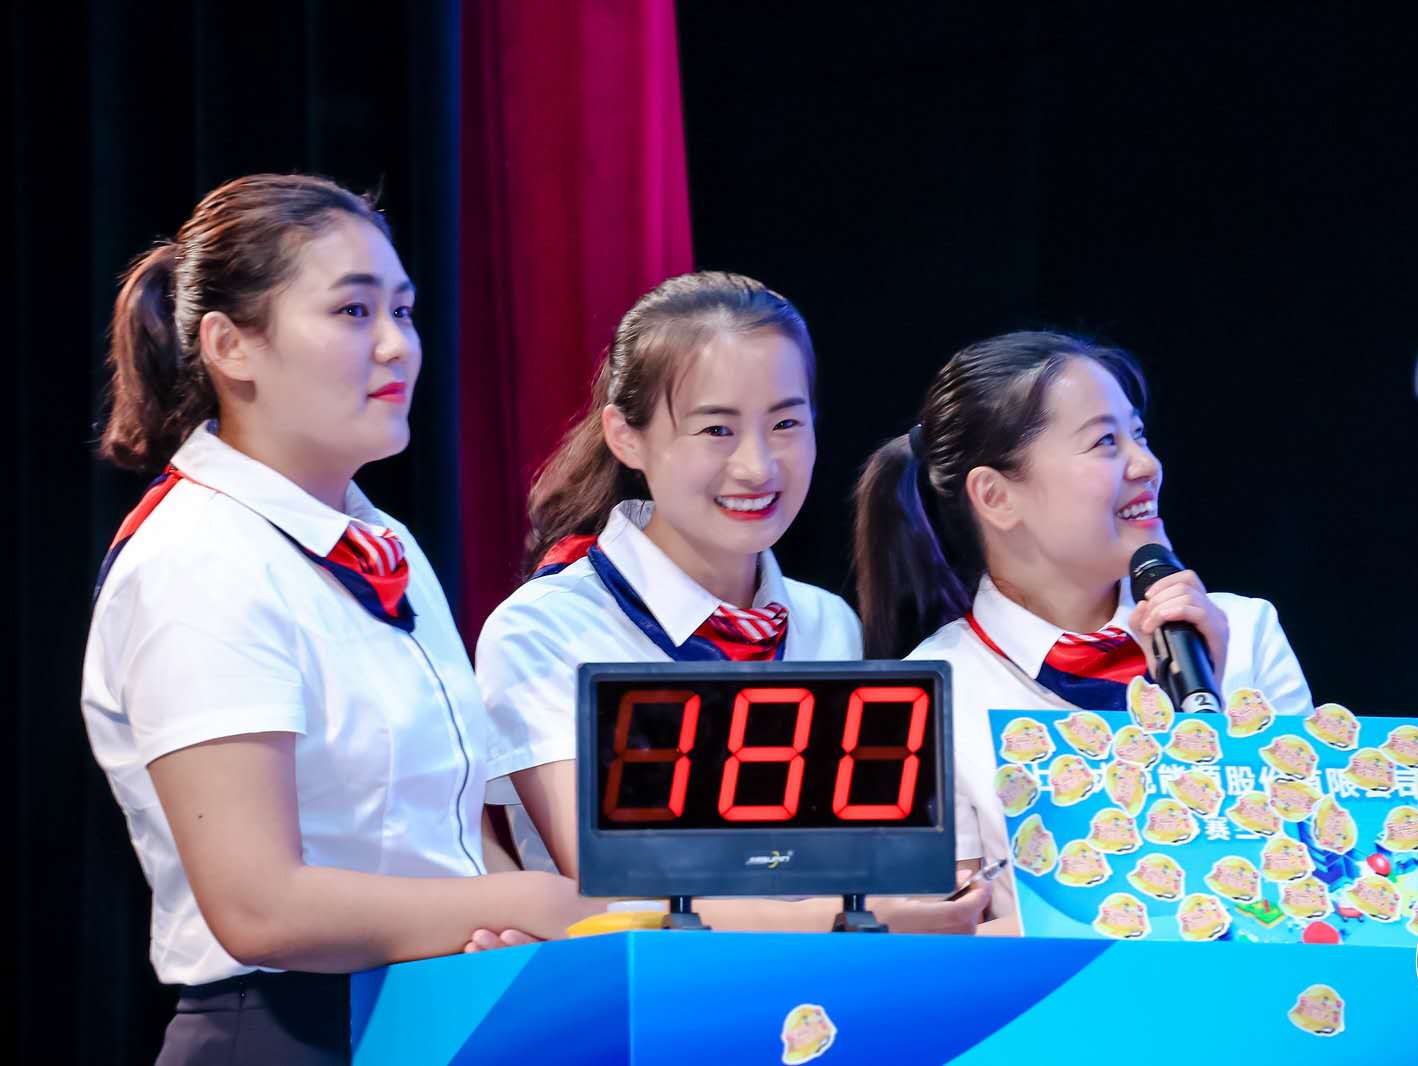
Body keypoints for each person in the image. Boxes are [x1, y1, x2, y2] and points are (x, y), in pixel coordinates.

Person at [83, 174, 599, 1065]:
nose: (398, 346)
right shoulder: (197, 557)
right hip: (283, 1035)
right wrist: (528, 903)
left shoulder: (381, 540)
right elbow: (259, 908)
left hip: (427, 1018)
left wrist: (503, 922)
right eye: (354, 312)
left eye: (404, 310)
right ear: (230, 346)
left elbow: (446, 831)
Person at [476, 271, 990, 931]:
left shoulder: (825, 624)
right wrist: (854, 918)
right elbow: (617, 896)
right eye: (717, 429)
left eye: (786, 423)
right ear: (625, 435)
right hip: (634, 990)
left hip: (822, 989)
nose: (757, 466)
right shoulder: (545, 631)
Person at [852, 330, 1311, 922]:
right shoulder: (929, 694)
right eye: (1105, 442)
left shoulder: (1244, 632)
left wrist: (1215, 716)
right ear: (996, 496)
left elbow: (1315, 876)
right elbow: (952, 941)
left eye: (1139, 434)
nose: (1147, 465)